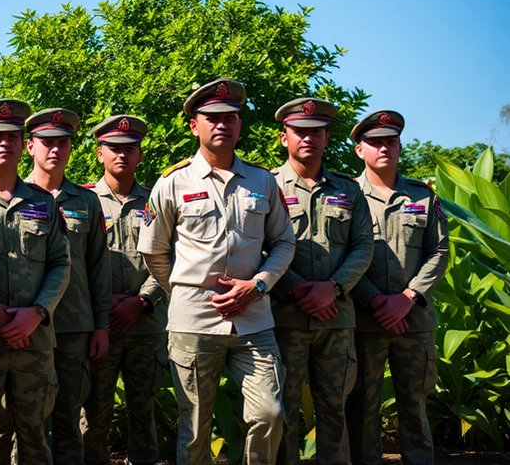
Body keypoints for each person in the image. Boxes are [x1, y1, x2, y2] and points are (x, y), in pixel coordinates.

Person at [137, 78, 295, 465]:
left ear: (240, 125)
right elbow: (153, 251)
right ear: (195, 125)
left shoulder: (262, 181)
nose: (222, 124)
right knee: (194, 428)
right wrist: (184, 293)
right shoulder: (171, 182)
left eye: (231, 117)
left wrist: (257, 285)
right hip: (194, 322)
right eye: (212, 117)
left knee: (270, 414)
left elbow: (284, 243)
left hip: (254, 321)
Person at [0, 100, 70, 465]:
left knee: (36, 438)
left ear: (24, 144)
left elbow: (60, 263)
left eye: (12, 136)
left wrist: (37, 313)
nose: (4, 143)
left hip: (34, 342)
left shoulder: (43, 203)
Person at [269, 98, 373, 465]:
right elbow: (261, 247)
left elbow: (363, 246)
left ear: (327, 137)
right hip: (286, 316)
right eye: (299, 132)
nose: (308, 138)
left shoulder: (349, 190)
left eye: (316, 132)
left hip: (336, 317)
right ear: (285, 138)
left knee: (334, 409)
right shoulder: (267, 185)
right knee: (284, 408)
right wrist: (295, 287)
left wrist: (335, 288)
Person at [345, 110, 449, 465]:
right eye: (375, 142)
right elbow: (343, 257)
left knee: (415, 404)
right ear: (360, 150)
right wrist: (377, 302)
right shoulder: (347, 195)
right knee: (361, 407)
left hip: (414, 322)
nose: (384, 147)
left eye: (391, 140)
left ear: (400, 146)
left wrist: (407, 298)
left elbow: (439, 251)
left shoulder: (422, 196)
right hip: (364, 321)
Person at [23, 107, 111, 465]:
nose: (55, 149)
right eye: (47, 142)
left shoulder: (87, 201)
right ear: (30, 146)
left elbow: (97, 268)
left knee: (68, 418)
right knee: (22, 420)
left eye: (63, 142)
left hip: (73, 326)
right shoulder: (16, 197)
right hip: (24, 327)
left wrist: (101, 324)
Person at [80, 115, 167, 465]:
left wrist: (142, 300)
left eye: (129, 149)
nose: (122, 155)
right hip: (97, 327)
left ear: (140, 155)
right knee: (93, 412)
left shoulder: (157, 201)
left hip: (144, 326)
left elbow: (169, 257)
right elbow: (73, 260)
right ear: (100, 153)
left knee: (144, 410)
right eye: (114, 148)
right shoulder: (83, 201)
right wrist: (100, 301)